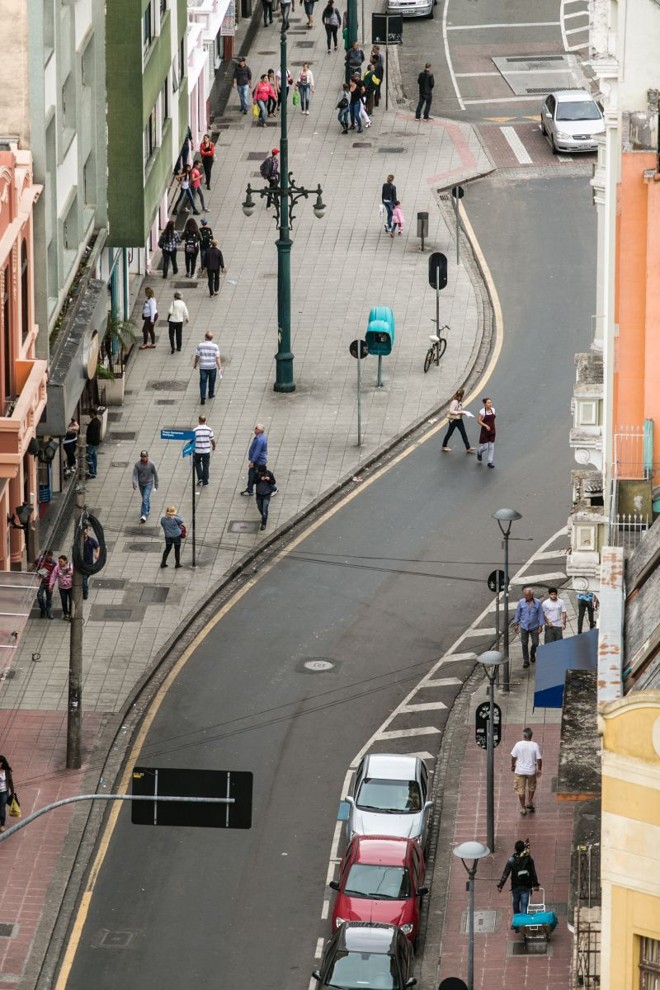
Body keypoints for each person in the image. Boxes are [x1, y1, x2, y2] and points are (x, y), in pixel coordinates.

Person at [497, 840, 540, 915]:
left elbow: (505, 874)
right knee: (524, 904)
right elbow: (533, 873)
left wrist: (500, 885)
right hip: (526, 886)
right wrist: (535, 884)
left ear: (515, 849)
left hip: (515, 886)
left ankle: (516, 920)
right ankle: (522, 923)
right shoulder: (529, 859)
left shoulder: (512, 860)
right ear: (524, 849)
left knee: (515, 902)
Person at [510, 728, 543, 815]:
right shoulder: (535, 745)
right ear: (531, 736)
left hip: (520, 771)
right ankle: (529, 801)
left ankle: (522, 807)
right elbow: (539, 759)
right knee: (532, 786)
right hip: (531, 771)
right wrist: (539, 769)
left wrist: (513, 765)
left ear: (524, 736)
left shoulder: (518, 744)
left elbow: (513, 756)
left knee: (521, 790)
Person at [513, 587, 545, 669]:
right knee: (524, 644)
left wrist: (541, 626)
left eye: (527, 595)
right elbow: (518, 613)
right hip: (524, 626)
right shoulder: (521, 602)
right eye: (525, 595)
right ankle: (526, 660)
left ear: (532, 595)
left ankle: (532, 653)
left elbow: (541, 614)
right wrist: (516, 624)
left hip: (534, 626)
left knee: (535, 643)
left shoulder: (538, 602)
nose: (526, 597)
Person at [441, 388, 476, 453]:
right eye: (461, 395)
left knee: (463, 433)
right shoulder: (454, 402)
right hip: (453, 420)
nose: (461, 397)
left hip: (459, 419)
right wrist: (459, 412)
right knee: (449, 433)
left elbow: (459, 410)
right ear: (459, 395)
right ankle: (444, 446)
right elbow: (451, 411)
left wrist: (464, 412)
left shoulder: (459, 402)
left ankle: (468, 447)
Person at [194, 331, 222, 405]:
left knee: (203, 382)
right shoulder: (215, 346)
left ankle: (203, 396)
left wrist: (195, 364)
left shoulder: (200, 345)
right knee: (212, 381)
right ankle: (210, 394)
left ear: (205, 337)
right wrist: (220, 367)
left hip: (203, 367)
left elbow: (197, 356)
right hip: (212, 367)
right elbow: (217, 358)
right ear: (212, 338)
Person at [132, 450, 159, 523]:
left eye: (145, 457)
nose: (144, 458)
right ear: (141, 457)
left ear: (147, 457)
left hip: (149, 484)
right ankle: (148, 509)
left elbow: (155, 474)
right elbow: (135, 474)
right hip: (141, 484)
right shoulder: (137, 464)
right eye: (143, 457)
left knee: (145, 498)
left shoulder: (151, 464)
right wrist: (134, 483)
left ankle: (144, 515)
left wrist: (156, 485)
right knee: (145, 498)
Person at [241, 424, 269, 495]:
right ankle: (249, 489)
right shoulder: (261, 437)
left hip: (258, 462)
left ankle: (273, 488)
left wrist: (252, 462)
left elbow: (257, 451)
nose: (254, 429)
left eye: (256, 428)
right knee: (252, 475)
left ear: (259, 431)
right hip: (259, 461)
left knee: (260, 476)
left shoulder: (259, 440)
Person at [49, 554, 74, 620]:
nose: (60, 563)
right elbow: (53, 576)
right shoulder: (57, 568)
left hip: (71, 587)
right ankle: (66, 614)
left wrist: (72, 573)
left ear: (66, 561)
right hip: (62, 588)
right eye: (59, 561)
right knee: (64, 601)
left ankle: (71, 614)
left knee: (71, 601)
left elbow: (76, 575)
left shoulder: (71, 566)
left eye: (61, 561)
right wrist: (51, 585)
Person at [194, 415, 216, 487]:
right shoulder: (209, 429)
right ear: (205, 420)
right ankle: (205, 481)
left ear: (199, 421)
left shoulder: (195, 430)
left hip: (197, 450)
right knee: (206, 465)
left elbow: (192, 441)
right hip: (206, 450)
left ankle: (200, 477)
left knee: (197, 463)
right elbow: (212, 439)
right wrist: (214, 446)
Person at [35, 549, 57, 618]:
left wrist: (52, 585)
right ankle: (43, 609)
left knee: (49, 598)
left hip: (49, 583)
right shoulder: (39, 561)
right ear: (44, 556)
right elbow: (33, 567)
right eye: (48, 557)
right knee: (40, 597)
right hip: (41, 582)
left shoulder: (54, 564)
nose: (50, 558)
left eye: (51, 557)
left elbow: (55, 575)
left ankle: (49, 611)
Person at [255, 464, 277, 530]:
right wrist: (260, 479)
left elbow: (273, 482)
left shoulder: (269, 473)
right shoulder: (257, 474)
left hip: (266, 495)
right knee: (259, 507)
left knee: (264, 510)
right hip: (258, 494)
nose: (261, 473)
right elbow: (253, 481)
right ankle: (264, 516)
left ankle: (264, 523)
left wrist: (269, 479)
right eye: (260, 472)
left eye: (262, 472)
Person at [476, 397, 496, 467]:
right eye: (488, 403)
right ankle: (479, 452)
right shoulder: (482, 412)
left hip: (492, 430)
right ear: (485, 404)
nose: (490, 404)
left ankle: (490, 462)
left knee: (491, 447)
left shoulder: (493, 410)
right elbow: (478, 421)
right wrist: (486, 426)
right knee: (485, 447)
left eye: (491, 402)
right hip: (485, 431)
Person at [82, 525, 99, 600]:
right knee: (83, 579)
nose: (85, 533)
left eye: (86, 531)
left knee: (84, 579)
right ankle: (84, 590)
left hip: (88, 564)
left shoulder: (91, 540)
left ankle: (85, 592)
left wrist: (97, 553)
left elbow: (97, 546)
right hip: (81, 563)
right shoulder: (79, 541)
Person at [0, 756, 15, 833]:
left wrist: (12, 793)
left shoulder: (6, 771)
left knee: (2, 808)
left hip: (4, 793)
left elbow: (10, 782)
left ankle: (2, 825)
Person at [86, 409, 102, 478]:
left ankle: (92, 472)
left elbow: (92, 433)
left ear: (93, 413)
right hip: (96, 442)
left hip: (92, 443)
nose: (89, 415)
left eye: (90, 413)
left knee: (89, 456)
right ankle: (94, 471)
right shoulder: (98, 422)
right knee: (94, 457)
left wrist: (88, 442)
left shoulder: (93, 423)